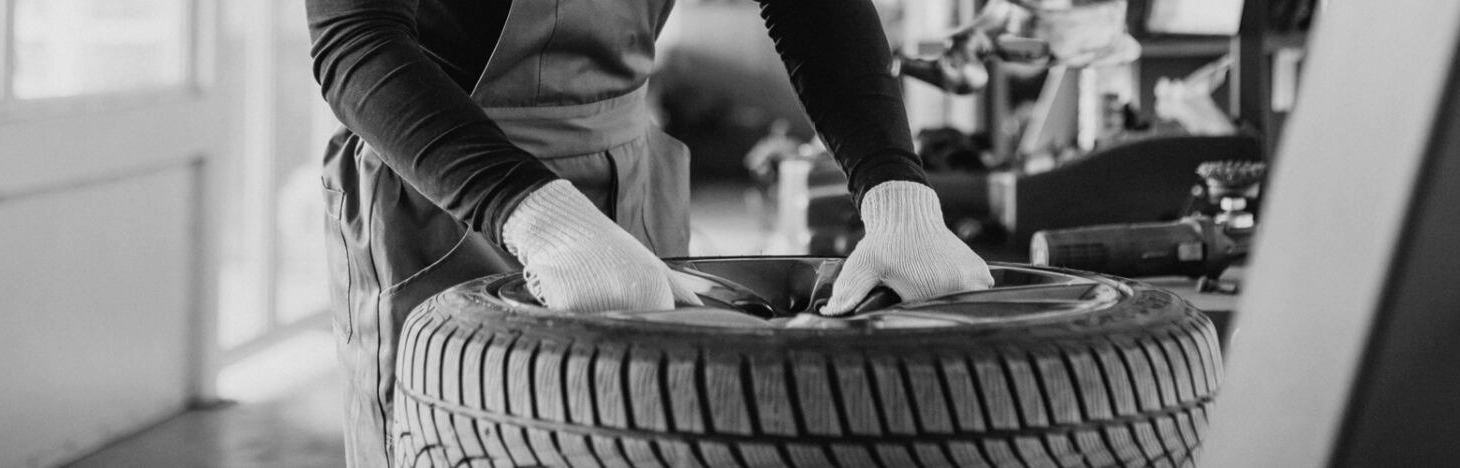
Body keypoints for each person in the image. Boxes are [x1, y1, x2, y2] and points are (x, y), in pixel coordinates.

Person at [306, 0, 993, 465]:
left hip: (630, 182)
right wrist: (542, 217)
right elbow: (353, 39)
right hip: (445, 191)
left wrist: (896, 193)